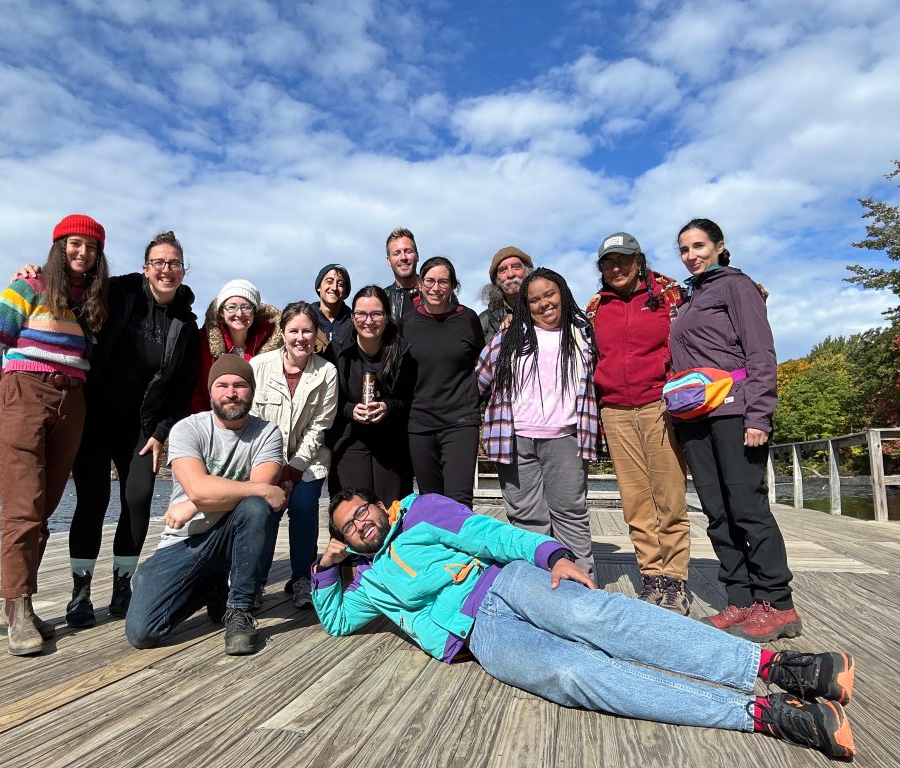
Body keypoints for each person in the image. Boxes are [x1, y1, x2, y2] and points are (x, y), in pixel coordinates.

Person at [313, 489, 856, 762]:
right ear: (346, 539)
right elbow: (336, 622)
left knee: (594, 614)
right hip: (481, 637)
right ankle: (764, 714)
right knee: (571, 673)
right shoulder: (366, 583)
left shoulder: (421, 512)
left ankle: (776, 665)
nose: (361, 524)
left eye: (362, 512)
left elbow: (490, 534)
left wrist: (551, 556)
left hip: (503, 583)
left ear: (378, 506)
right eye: (348, 527)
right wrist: (324, 569)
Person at [0, 214, 110, 656]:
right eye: (74, 244)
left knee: (45, 505)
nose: (82, 253)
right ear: (59, 246)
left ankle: (12, 601)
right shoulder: (28, 287)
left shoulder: (94, 298)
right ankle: (19, 610)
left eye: (91, 248)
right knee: (22, 507)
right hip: (22, 393)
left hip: (72, 400)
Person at [669, 218, 799, 643]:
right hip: (695, 417)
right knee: (717, 512)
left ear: (720, 246)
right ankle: (740, 599)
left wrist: (759, 415)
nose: (692, 255)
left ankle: (778, 605)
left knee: (748, 508)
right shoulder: (688, 299)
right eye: (684, 249)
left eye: (699, 246)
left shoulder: (737, 286)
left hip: (735, 411)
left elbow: (761, 351)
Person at [64, 231, 199, 627]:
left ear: (183, 270)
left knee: (137, 500)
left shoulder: (185, 325)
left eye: (173, 263)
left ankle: (122, 586)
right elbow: (75, 280)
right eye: (158, 262)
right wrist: (35, 275)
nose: (166, 269)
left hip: (141, 428)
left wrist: (161, 432)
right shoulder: (119, 292)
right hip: (94, 417)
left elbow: (180, 389)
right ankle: (80, 593)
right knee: (92, 501)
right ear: (145, 268)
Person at [125, 356, 286, 656]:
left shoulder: (268, 433)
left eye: (240, 385)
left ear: (251, 390)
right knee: (142, 632)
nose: (231, 393)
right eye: (222, 385)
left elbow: (257, 502)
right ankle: (212, 587)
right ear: (211, 392)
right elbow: (201, 489)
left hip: (231, 538)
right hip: (185, 541)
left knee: (255, 508)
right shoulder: (187, 428)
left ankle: (239, 611)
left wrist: (196, 503)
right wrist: (258, 488)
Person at [584, 232, 691, 613]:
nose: (616, 268)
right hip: (614, 409)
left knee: (669, 495)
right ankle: (652, 575)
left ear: (638, 261)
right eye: (608, 263)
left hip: (659, 404)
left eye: (623, 260)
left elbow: (708, 316)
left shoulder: (669, 295)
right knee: (635, 499)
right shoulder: (596, 307)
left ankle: (676, 579)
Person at [476, 267, 599, 578]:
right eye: (534, 300)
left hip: (566, 439)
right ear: (524, 306)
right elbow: (479, 379)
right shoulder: (509, 336)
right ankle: (539, 591)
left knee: (570, 517)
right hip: (515, 441)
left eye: (549, 294)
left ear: (563, 294)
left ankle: (582, 591)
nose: (544, 303)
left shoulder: (583, 333)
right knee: (527, 521)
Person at [250, 303, 338, 608]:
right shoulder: (259, 367)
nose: (301, 338)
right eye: (294, 331)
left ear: (316, 334)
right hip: (265, 459)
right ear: (282, 332)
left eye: (307, 331)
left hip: (309, 461)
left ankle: (302, 577)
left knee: (302, 507)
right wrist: (276, 470)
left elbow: (320, 426)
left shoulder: (326, 371)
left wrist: (294, 469)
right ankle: (256, 581)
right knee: (264, 513)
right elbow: (252, 422)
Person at [398, 257, 485, 508]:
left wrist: (473, 400)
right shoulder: (407, 324)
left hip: (460, 421)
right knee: (431, 501)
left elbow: (482, 364)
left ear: (452, 286)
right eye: (430, 281)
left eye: (443, 282)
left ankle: (461, 549)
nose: (436, 288)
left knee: (459, 501)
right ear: (419, 283)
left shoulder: (467, 319)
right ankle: (437, 549)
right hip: (420, 423)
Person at [327, 285, 416, 505]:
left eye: (376, 314)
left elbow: (410, 398)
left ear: (387, 317)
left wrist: (387, 407)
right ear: (352, 315)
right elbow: (327, 398)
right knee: (356, 504)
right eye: (361, 314)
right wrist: (350, 409)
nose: (368, 321)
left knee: (391, 508)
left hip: (391, 438)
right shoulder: (338, 348)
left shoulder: (401, 350)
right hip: (351, 436)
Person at [190, 279, 281, 413]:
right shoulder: (203, 340)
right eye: (231, 307)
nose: (239, 314)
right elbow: (195, 390)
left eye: (246, 307)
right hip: (211, 420)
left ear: (255, 312)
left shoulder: (273, 342)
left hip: (258, 424)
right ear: (222, 312)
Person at [478, 246, 534, 338]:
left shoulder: (546, 308)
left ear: (527, 272)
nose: (510, 274)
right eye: (503, 270)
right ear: (497, 280)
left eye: (516, 267)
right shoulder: (484, 321)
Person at [311, 264, 352, 357]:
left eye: (340, 284)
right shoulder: (306, 319)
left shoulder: (354, 321)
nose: (334, 288)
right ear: (319, 286)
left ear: (346, 291)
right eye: (329, 282)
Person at [384, 227, 420, 323]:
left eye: (408, 251)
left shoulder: (436, 291)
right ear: (389, 261)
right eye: (397, 253)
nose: (403, 257)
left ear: (417, 256)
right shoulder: (382, 298)